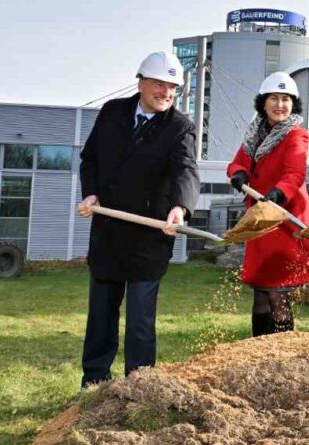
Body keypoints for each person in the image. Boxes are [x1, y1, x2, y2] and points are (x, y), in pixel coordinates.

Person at [77, 51, 200, 387]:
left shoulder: (179, 127)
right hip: (108, 232)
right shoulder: (112, 113)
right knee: (101, 314)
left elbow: (186, 171)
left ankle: (140, 387)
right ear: (142, 81)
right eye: (160, 84)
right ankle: (94, 382)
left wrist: (180, 208)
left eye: (173, 87)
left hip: (149, 238)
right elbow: (90, 160)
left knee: (140, 321)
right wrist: (90, 193)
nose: (167, 93)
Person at [226, 71, 309, 337]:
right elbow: (238, 162)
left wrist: (277, 194)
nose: (280, 105)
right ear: (263, 103)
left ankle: (283, 356)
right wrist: (237, 173)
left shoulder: (296, 135)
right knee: (261, 294)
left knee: (278, 294)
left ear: (293, 104)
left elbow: (295, 173)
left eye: (286, 99)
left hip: (285, 221)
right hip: (261, 223)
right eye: (274, 99)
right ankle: (259, 353)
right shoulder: (255, 133)